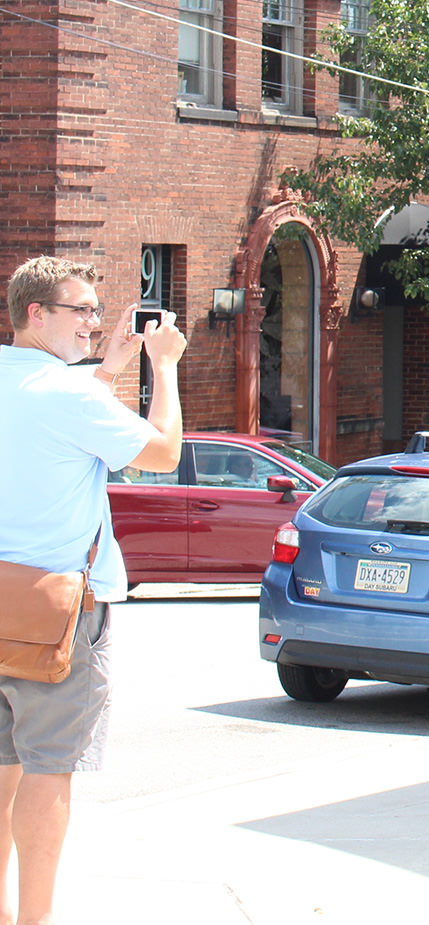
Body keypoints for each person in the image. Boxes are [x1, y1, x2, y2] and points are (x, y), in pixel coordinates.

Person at [0, 257, 185, 925]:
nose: (93, 320)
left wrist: (103, 369)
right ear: (34, 314)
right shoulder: (71, 394)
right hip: (60, 611)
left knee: (1, 767)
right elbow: (162, 452)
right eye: (78, 309)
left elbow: (53, 423)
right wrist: (162, 366)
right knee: (48, 768)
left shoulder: (46, 385)